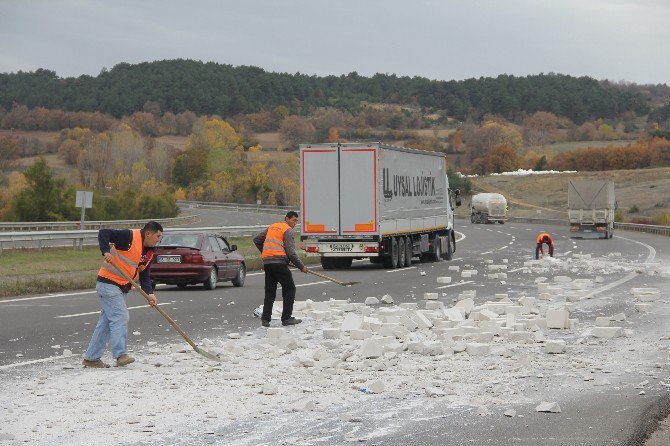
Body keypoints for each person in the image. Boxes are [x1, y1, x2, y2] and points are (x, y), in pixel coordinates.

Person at [82, 221, 163, 368]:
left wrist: (150, 293)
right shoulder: (129, 237)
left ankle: (91, 358)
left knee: (106, 323)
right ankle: (120, 355)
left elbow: (144, 275)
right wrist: (105, 250)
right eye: (158, 236)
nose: (159, 239)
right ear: (149, 233)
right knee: (120, 317)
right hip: (108, 284)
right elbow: (104, 232)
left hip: (122, 287)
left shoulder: (149, 252)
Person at [253, 211, 308, 327]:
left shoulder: (272, 227)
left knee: (270, 291)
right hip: (278, 263)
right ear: (286, 219)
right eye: (293, 220)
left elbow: (257, 240)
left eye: (296, 221)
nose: (295, 223)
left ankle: (265, 319)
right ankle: (286, 318)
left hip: (268, 262)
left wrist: (267, 253)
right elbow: (291, 253)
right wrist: (301, 266)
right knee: (289, 289)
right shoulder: (288, 230)